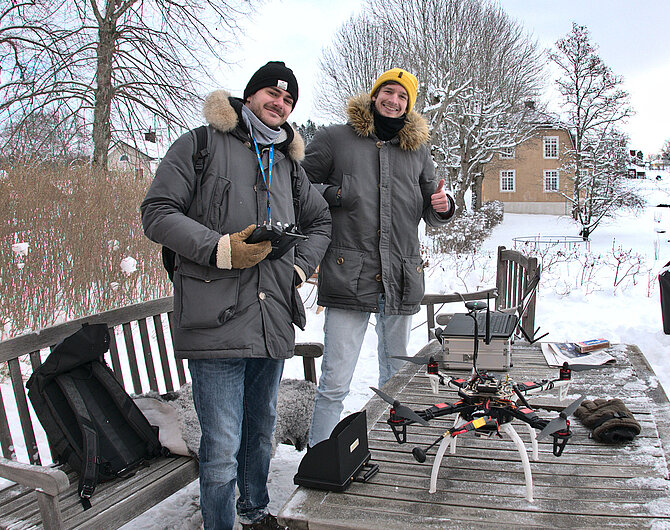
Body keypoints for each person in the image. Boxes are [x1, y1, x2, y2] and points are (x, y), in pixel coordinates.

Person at [141, 61, 331, 530]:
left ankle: (254, 511)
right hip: (216, 321)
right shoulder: (201, 144)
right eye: (271, 93)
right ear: (249, 96)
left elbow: (321, 221)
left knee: (259, 430)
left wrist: (299, 269)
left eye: (288, 100)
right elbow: (157, 212)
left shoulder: (289, 163)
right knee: (222, 445)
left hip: (271, 321)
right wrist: (221, 248)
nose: (279, 103)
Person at [302, 68, 454, 447]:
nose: (394, 100)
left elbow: (431, 206)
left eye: (403, 97)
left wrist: (445, 206)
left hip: (400, 276)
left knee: (398, 376)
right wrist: (336, 195)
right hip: (347, 275)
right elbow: (297, 186)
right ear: (374, 96)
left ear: (409, 104)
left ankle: (392, 452)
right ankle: (318, 457)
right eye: (388, 92)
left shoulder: (418, 149)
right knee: (335, 381)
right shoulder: (336, 138)